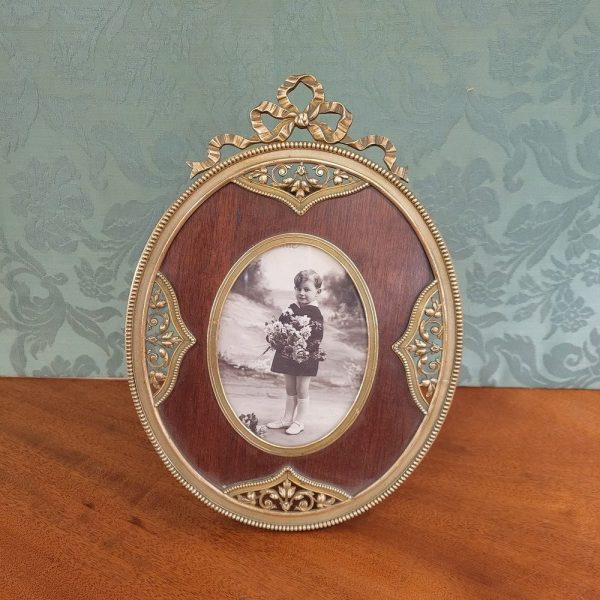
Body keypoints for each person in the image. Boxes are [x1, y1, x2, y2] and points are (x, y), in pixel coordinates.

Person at [267, 269, 324, 435]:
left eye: (307, 289)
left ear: (317, 292)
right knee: (290, 387)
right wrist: (278, 335)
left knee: (302, 388)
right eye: (298, 289)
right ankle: (287, 419)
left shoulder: (315, 313)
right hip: (288, 354)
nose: (302, 293)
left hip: (305, 356)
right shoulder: (291, 309)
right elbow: (282, 326)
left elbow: (317, 336)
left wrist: (301, 344)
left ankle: (299, 422)